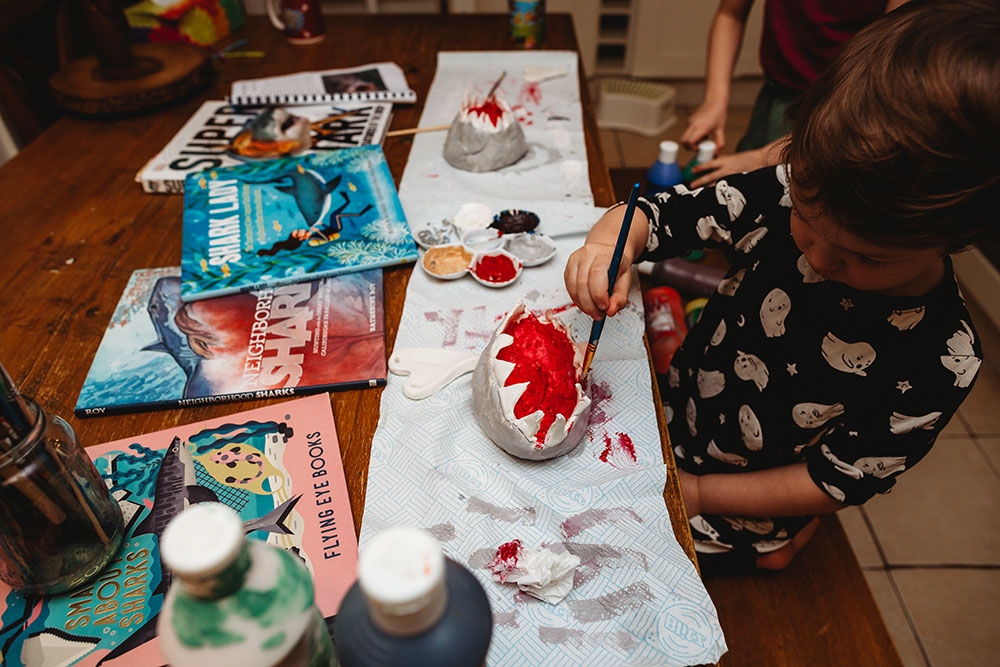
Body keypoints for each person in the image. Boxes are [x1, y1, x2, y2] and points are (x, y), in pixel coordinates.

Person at [565, 0, 997, 571]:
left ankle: (779, 546)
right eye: (807, 223)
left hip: (753, 490)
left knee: (656, 552)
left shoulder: (943, 356)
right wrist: (608, 245)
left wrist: (696, 492)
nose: (816, 258)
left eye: (863, 257)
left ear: (956, 237)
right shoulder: (790, 189)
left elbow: (834, 480)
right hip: (690, 405)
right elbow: (659, 216)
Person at [678, 0, 906, 188]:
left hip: (846, 109)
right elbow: (731, 13)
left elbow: (879, 84)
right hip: (777, 92)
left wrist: (761, 159)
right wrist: (715, 99)